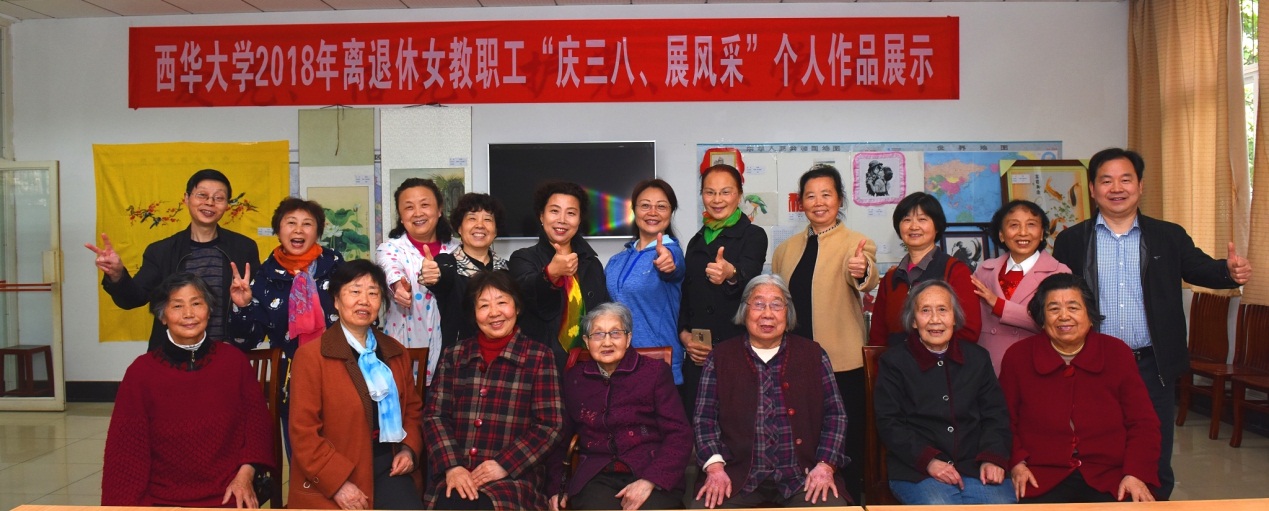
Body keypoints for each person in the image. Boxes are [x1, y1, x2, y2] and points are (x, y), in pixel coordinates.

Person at [1051, 148, 1252, 500]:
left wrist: (1228, 272)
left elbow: (1200, 268)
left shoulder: (1167, 236)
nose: (1117, 188)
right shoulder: (1072, 241)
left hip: (1151, 362)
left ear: (1140, 186)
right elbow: (1056, 294)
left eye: (1126, 179)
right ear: (1093, 189)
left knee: (1153, 449)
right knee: (1096, 444)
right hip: (1091, 361)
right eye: (1106, 181)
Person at [102, 272, 274, 507]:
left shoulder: (234, 362)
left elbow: (257, 429)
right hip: (161, 499)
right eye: (177, 306)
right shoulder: (141, 372)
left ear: (209, 310)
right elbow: (125, 454)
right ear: (162, 316)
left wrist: (245, 476)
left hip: (227, 493)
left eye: (196, 303)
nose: (188, 314)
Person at [1000, 273, 1160, 503]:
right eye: (1054, 309)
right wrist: (1017, 463)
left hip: (1110, 475)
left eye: (1073, 307)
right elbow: (1003, 420)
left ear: (1090, 315)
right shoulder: (1018, 357)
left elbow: (1143, 423)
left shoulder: (1117, 353)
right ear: (1042, 318)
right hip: (1040, 475)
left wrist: (1135, 473)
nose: (1064, 316)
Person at [693, 275, 849, 509]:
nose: (767, 314)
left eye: (776, 305)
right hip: (736, 476)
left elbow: (836, 416)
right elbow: (704, 419)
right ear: (745, 310)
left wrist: (825, 465)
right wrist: (715, 468)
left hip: (803, 477)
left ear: (788, 313)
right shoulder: (720, 357)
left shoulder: (814, 355)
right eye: (758, 304)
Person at [771, 163, 877, 501]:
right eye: (810, 196)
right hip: (794, 362)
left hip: (842, 362)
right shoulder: (785, 249)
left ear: (839, 199)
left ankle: (851, 499)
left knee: (847, 440)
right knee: (802, 435)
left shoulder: (856, 243)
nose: (818, 203)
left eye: (826, 195)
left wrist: (862, 270)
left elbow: (866, 276)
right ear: (800, 202)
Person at [288, 260, 424, 510]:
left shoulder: (395, 352)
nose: (364, 301)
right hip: (335, 471)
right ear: (336, 300)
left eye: (373, 293)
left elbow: (413, 411)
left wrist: (408, 450)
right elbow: (303, 432)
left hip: (389, 465)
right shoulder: (311, 357)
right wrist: (337, 483)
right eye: (355, 291)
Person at [423, 270, 564, 510]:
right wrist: (453, 466)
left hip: (514, 477)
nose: (494, 313)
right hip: (458, 472)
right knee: (453, 502)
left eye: (502, 302)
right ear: (473, 313)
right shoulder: (454, 355)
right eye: (484, 305)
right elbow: (435, 415)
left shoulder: (539, 356)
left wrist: (504, 464)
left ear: (517, 307)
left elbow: (550, 425)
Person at [86, 168, 261, 352]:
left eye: (218, 198)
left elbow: (257, 304)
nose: (210, 202)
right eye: (202, 195)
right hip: (172, 356)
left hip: (224, 355)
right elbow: (132, 299)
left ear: (226, 205)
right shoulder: (161, 251)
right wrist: (117, 275)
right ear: (186, 198)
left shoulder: (243, 248)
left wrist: (246, 305)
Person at [873, 280, 1014, 505]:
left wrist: (992, 457)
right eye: (925, 311)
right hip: (917, 469)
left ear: (954, 317)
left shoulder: (977, 358)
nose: (935, 320)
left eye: (942, 310)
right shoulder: (894, 362)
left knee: (1000, 506)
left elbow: (996, 415)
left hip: (974, 464)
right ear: (913, 320)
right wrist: (929, 461)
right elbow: (889, 423)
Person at [547, 303, 692, 510]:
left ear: (628, 338)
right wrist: (557, 488)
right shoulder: (575, 378)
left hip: (650, 470)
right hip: (596, 475)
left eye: (615, 333)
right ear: (587, 341)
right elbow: (561, 437)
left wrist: (650, 480)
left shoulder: (654, 372)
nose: (607, 342)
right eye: (598, 334)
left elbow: (679, 434)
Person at [230, 197, 343, 454]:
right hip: (292, 385)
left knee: (344, 456)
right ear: (278, 230)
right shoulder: (265, 277)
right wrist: (242, 306)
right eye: (291, 223)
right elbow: (245, 340)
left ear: (318, 231)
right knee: (302, 461)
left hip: (340, 376)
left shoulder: (337, 267)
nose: (298, 230)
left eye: (307, 224)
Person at [678, 164, 768, 416]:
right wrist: (684, 335)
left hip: (736, 350)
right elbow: (687, 295)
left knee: (737, 424)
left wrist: (730, 273)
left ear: (739, 195)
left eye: (725, 192)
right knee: (698, 422)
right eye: (710, 192)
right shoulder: (697, 240)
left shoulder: (753, 235)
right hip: (698, 354)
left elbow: (750, 275)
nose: (717, 200)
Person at [509, 181, 611, 375]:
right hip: (540, 367)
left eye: (571, 213)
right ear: (541, 215)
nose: (562, 220)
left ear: (579, 220)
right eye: (554, 211)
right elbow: (529, 294)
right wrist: (551, 274)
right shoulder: (522, 258)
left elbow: (604, 312)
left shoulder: (592, 263)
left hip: (589, 366)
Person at [970, 200, 1071, 374]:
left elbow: (1054, 322)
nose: (1023, 232)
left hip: (1035, 366)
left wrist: (999, 305)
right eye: (1014, 225)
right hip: (988, 367)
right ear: (1001, 235)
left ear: (1042, 233)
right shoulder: (984, 270)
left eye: (1031, 225)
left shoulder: (1059, 273)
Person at [868, 192, 980, 347]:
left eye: (922, 219)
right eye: (906, 220)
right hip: (896, 361)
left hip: (942, 360)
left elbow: (969, 331)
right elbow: (878, 337)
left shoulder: (956, 271)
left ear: (937, 226)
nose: (914, 226)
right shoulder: (890, 278)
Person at [376, 178, 458, 385]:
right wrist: (398, 287)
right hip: (405, 354)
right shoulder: (390, 248)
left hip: (452, 355)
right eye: (409, 207)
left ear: (439, 210)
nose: (418, 213)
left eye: (425, 204)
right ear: (401, 216)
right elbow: (390, 270)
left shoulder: (457, 250)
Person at [606, 179, 687, 385]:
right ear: (634, 210)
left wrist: (669, 262)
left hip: (658, 363)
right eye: (645, 205)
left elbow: (674, 265)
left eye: (661, 206)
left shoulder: (671, 252)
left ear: (671, 212)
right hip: (619, 363)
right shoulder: (617, 260)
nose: (653, 212)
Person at [431, 193, 510, 343]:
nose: (480, 225)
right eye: (472, 218)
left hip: (503, 352)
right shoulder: (447, 263)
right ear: (459, 228)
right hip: (458, 353)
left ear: (495, 231)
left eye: (487, 219)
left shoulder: (507, 269)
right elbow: (439, 278)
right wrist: (431, 275)